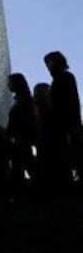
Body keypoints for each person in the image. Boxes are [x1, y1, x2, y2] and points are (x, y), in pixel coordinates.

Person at [44, 51, 82, 194]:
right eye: (47, 63)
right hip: (62, 127)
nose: (48, 66)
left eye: (50, 62)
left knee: (68, 159)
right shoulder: (60, 79)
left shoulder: (65, 78)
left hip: (65, 127)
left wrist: (74, 127)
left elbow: (72, 103)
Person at [6, 73, 37, 200]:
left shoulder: (23, 101)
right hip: (21, 139)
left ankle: (25, 195)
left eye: (10, 83)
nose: (8, 85)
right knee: (23, 166)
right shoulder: (21, 100)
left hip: (21, 139)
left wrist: (9, 132)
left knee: (23, 166)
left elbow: (23, 121)